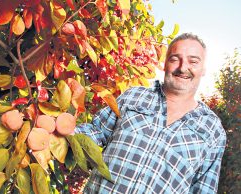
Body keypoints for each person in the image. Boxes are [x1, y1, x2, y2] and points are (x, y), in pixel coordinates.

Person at [75, 33, 227, 194]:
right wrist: (61, 132)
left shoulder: (212, 130)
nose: (183, 68)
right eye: (175, 59)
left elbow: (203, 189)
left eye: (193, 61)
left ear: (203, 69)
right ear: (165, 64)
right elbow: (96, 131)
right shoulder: (134, 96)